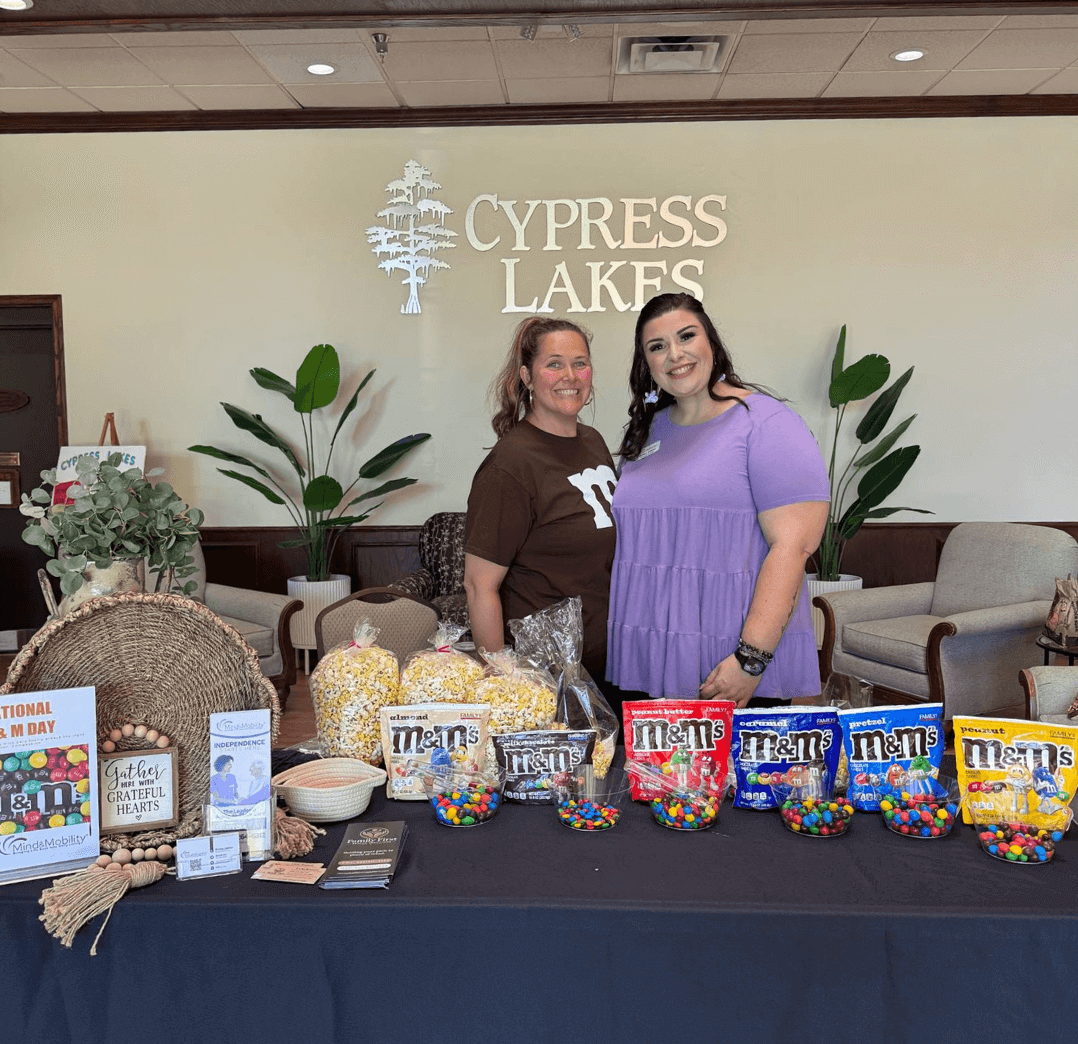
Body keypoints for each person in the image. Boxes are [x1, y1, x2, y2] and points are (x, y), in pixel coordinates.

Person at [607, 293, 829, 709]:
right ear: (647, 364)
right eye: (657, 347)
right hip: (647, 660)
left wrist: (750, 660)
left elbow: (793, 547)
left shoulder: (766, 423)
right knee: (657, 778)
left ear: (711, 342)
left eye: (686, 336)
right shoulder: (648, 431)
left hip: (729, 664)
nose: (675, 354)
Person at [464, 317, 618, 683]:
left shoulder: (593, 442)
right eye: (554, 364)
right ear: (527, 377)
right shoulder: (511, 463)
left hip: (606, 669)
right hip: (545, 678)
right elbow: (478, 585)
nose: (570, 375)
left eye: (580, 363)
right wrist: (504, 683)